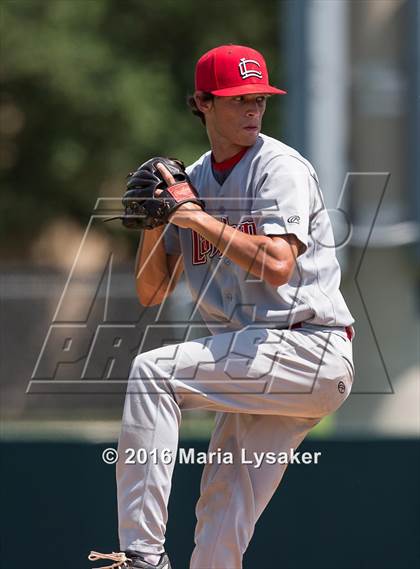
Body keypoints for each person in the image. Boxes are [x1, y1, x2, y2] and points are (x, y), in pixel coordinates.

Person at [89, 44, 355, 569]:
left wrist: (192, 218)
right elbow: (151, 291)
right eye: (238, 100)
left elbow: (278, 264)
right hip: (255, 362)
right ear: (202, 103)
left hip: (309, 348)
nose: (253, 110)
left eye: (259, 98)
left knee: (153, 373)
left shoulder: (278, 168)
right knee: (221, 509)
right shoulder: (194, 182)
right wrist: (156, 221)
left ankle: (141, 554)